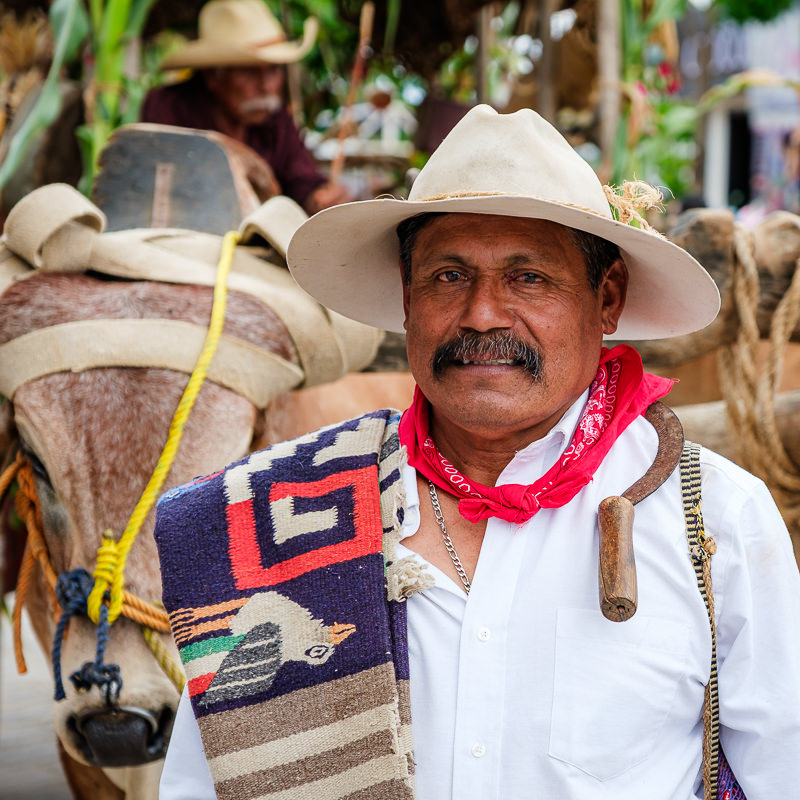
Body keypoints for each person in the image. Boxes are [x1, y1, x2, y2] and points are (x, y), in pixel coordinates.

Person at [154, 105, 800, 799]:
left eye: (529, 278)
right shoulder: (267, 523)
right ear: (407, 298)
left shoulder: (715, 520)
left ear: (606, 300)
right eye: (449, 277)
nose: (483, 313)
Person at [141, 0, 350, 214]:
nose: (267, 86)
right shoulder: (169, 107)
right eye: (250, 72)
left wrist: (319, 199)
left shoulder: (275, 121)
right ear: (213, 75)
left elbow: (301, 181)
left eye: (274, 70)